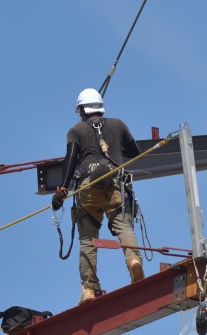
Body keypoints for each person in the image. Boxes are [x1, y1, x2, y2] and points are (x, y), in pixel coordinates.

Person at [52, 88, 145, 304]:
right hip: (114, 182)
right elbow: (135, 153)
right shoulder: (118, 124)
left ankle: (89, 290)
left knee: (88, 239)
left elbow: (71, 159)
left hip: (88, 186)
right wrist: (115, 149)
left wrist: (62, 190)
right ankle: (133, 261)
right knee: (124, 226)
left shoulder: (76, 130)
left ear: (82, 110)